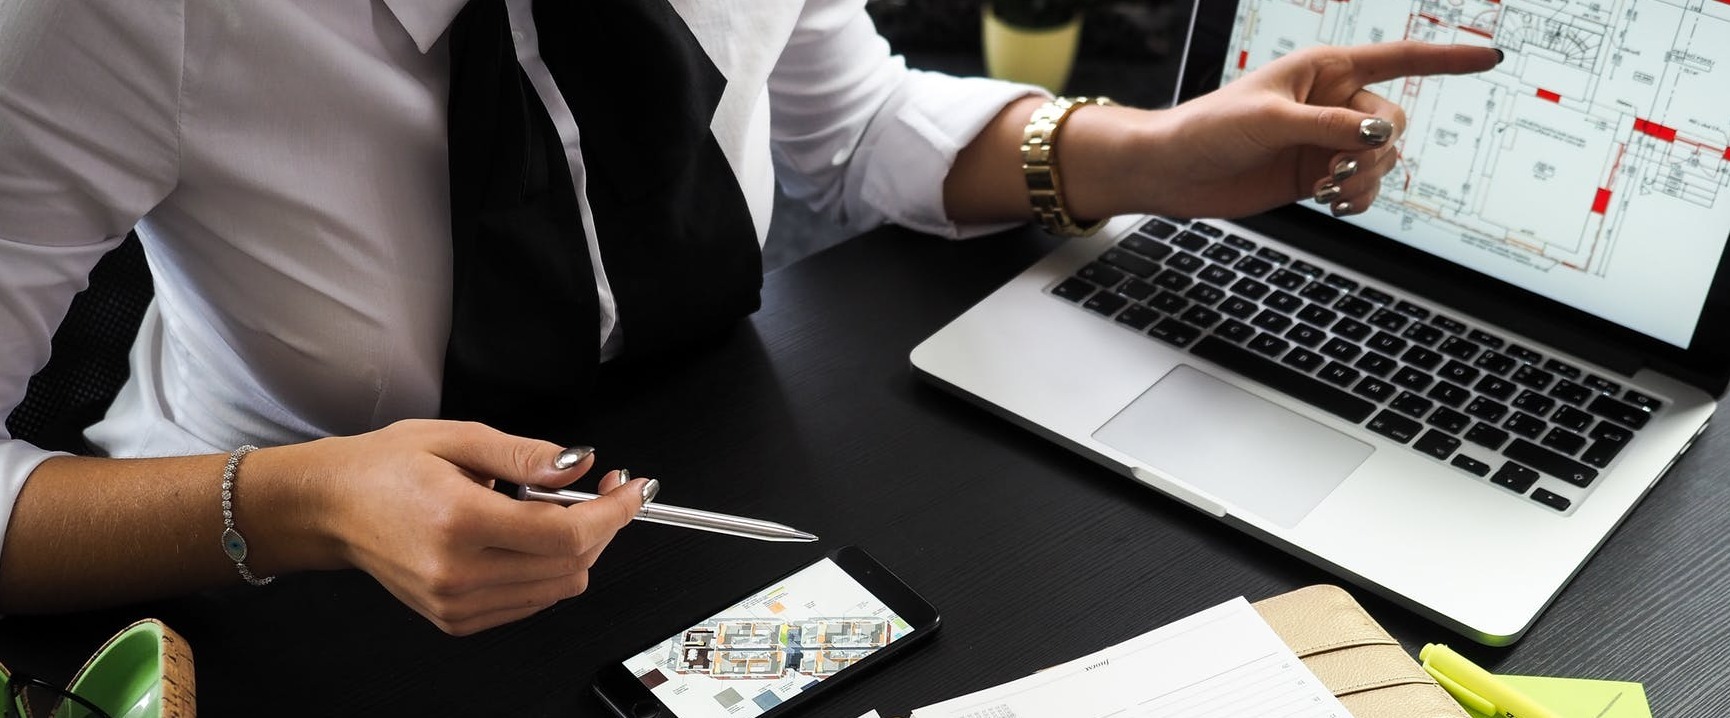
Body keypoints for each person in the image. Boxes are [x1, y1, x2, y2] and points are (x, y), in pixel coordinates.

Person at [0, 0, 1500, 636]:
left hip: (712, 458)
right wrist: (306, 500)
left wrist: (1139, 153)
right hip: (293, 585)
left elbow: (842, 129)